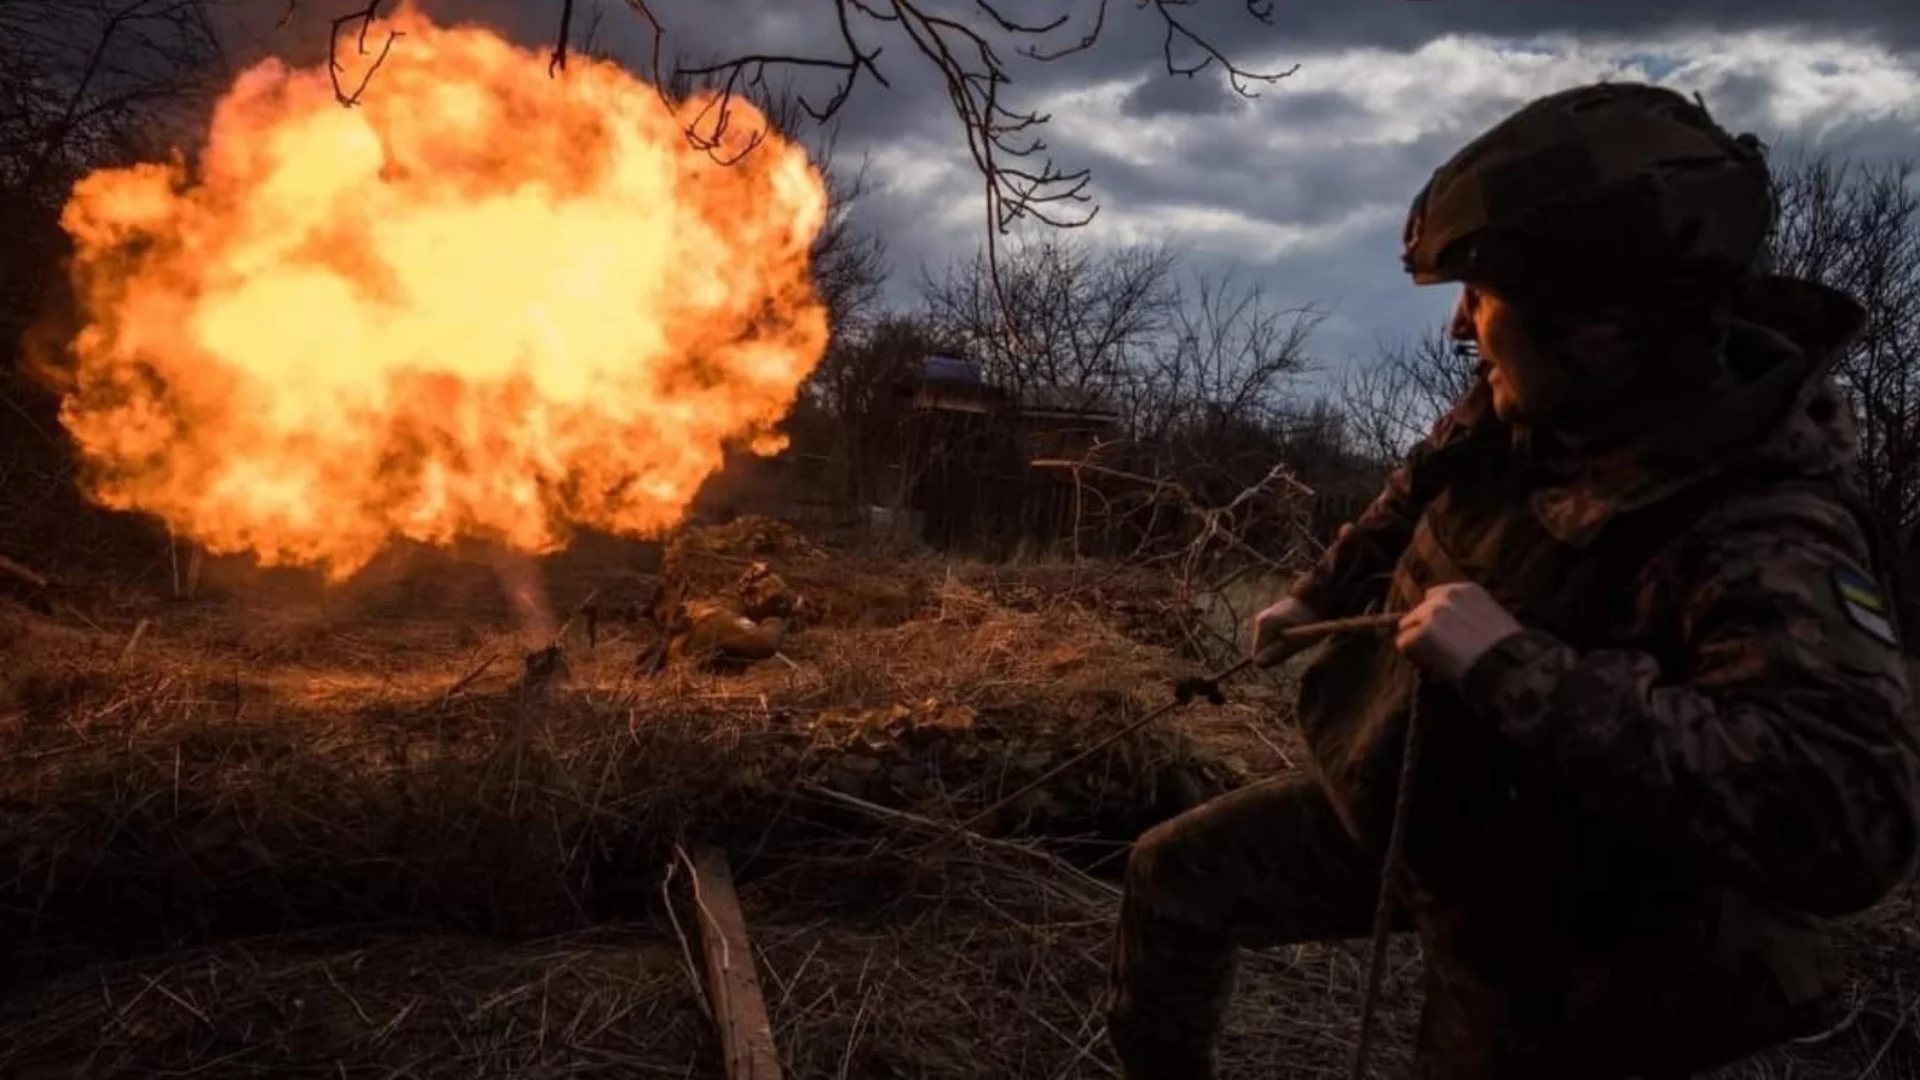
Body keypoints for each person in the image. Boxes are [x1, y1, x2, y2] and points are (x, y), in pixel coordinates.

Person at [1102, 82, 1920, 1079]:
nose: (1459, 326)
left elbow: (1848, 820)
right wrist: (1320, 593)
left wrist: (1516, 668)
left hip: (1570, 931)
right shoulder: (1533, 403)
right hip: (1425, 801)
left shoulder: (1765, 529)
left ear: (1600, 328)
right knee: (1172, 876)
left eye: (1483, 298)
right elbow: (1418, 489)